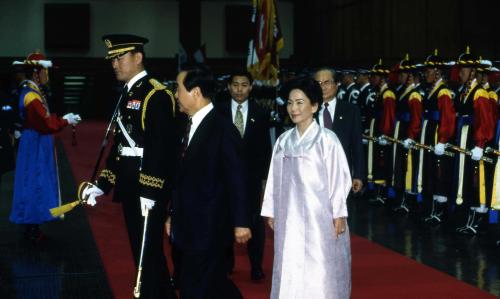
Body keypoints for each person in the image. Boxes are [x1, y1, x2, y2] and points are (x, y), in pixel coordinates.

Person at [80, 34, 177, 298]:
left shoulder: (156, 94)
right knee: (141, 250)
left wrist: (150, 191)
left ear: (138, 57)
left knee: (148, 252)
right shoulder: (129, 91)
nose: (114, 64)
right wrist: (102, 184)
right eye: (112, 59)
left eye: (120, 57)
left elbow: (161, 148)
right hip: (131, 184)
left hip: (148, 189)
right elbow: (120, 147)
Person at [261, 77, 352, 299]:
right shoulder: (283, 140)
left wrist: (339, 212)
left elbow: (340, 178)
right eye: (290, 102)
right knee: (289, 262)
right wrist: (271, 210)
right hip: (289, 216)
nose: (293, 108)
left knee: (320, 265)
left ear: (314, 105)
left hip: (319, 216)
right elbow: (273, 177)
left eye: (300, 102)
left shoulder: (327, 140)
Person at [167, 64, 252, 299]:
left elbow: (237, 179)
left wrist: (241, 222)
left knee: (196, 286)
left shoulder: (223, 128)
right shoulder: (185, 124)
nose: (175, 95)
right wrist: (172, 213)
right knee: (209, 284)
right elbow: (181, 178)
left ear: (195, 92)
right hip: (186, 224)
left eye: (178, 89)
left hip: (210, 226)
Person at [10, 52, 81, 241]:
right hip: (35, 144)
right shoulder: (31, 95)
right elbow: (45, 123)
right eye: (44, 72)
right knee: (34, 183)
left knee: (32, 182)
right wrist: (65, 120)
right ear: (36, 73)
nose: (46, 76)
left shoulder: (32, 92)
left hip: (36, 142)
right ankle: (31, 226)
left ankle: (31, 224)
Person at [216, 71, 271, 281]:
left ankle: (256, 265)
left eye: (244, 85)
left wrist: (265, 179)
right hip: (223, 178)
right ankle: (227, 263)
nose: (240, 89)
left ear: (251, 87)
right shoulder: (218, 112)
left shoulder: (261, 112)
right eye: (236, 84)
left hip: (251, 178)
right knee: (225, 219)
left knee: (254, 221)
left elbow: (265, 148)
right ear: (229, 86)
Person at [453, 47, 495, 234]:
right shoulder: (465, 91)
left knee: (476, 177)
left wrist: (480, 144)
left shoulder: (480, 93)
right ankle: (470, 216)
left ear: (473, 72)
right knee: (467, 176)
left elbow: (486, 121)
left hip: (474, 138)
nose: (460, 72)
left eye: (465, 69)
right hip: (464, 136)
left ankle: (478, 218)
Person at [419, 50, 456, 224]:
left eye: (429, 70)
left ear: (438, 72)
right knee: (432, 172)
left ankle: (440, 212)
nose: (426, 73)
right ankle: (433, 209)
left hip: (437, 135)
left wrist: (442, 140)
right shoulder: (432, 90)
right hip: (429, 134)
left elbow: (448, 119)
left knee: (440, 173)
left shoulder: (443, 92)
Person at [314, 68, 365, 195]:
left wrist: (358, 175)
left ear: (337, 84)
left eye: (327, 82)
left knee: (339, 213)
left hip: (341, 174)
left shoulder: (350, 110)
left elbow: (357, 145)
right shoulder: (308, 110)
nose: (323, 87)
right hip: (313, 175)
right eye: (319, 83)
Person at [390, 54, 423, 212]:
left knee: (409, 166)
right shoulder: (401, 91)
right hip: (400, 131)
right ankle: (400, 198)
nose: (400, 77)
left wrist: (411, 136)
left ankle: (408, 201)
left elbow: (416, 118)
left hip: (408, 132)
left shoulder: (414, 94)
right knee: (400, 166)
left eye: (403, 74)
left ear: (410, 76)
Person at [366, 59, 396, 204]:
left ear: (382, 78)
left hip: (382, 132)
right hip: (376, 129)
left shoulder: (387, 94)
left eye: (375, 76)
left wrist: (385, 133)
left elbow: (388, 115)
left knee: (383, 161)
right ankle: (377, 192)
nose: (373, 79)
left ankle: (383, 194)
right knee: (378, 160)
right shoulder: (379, 92)